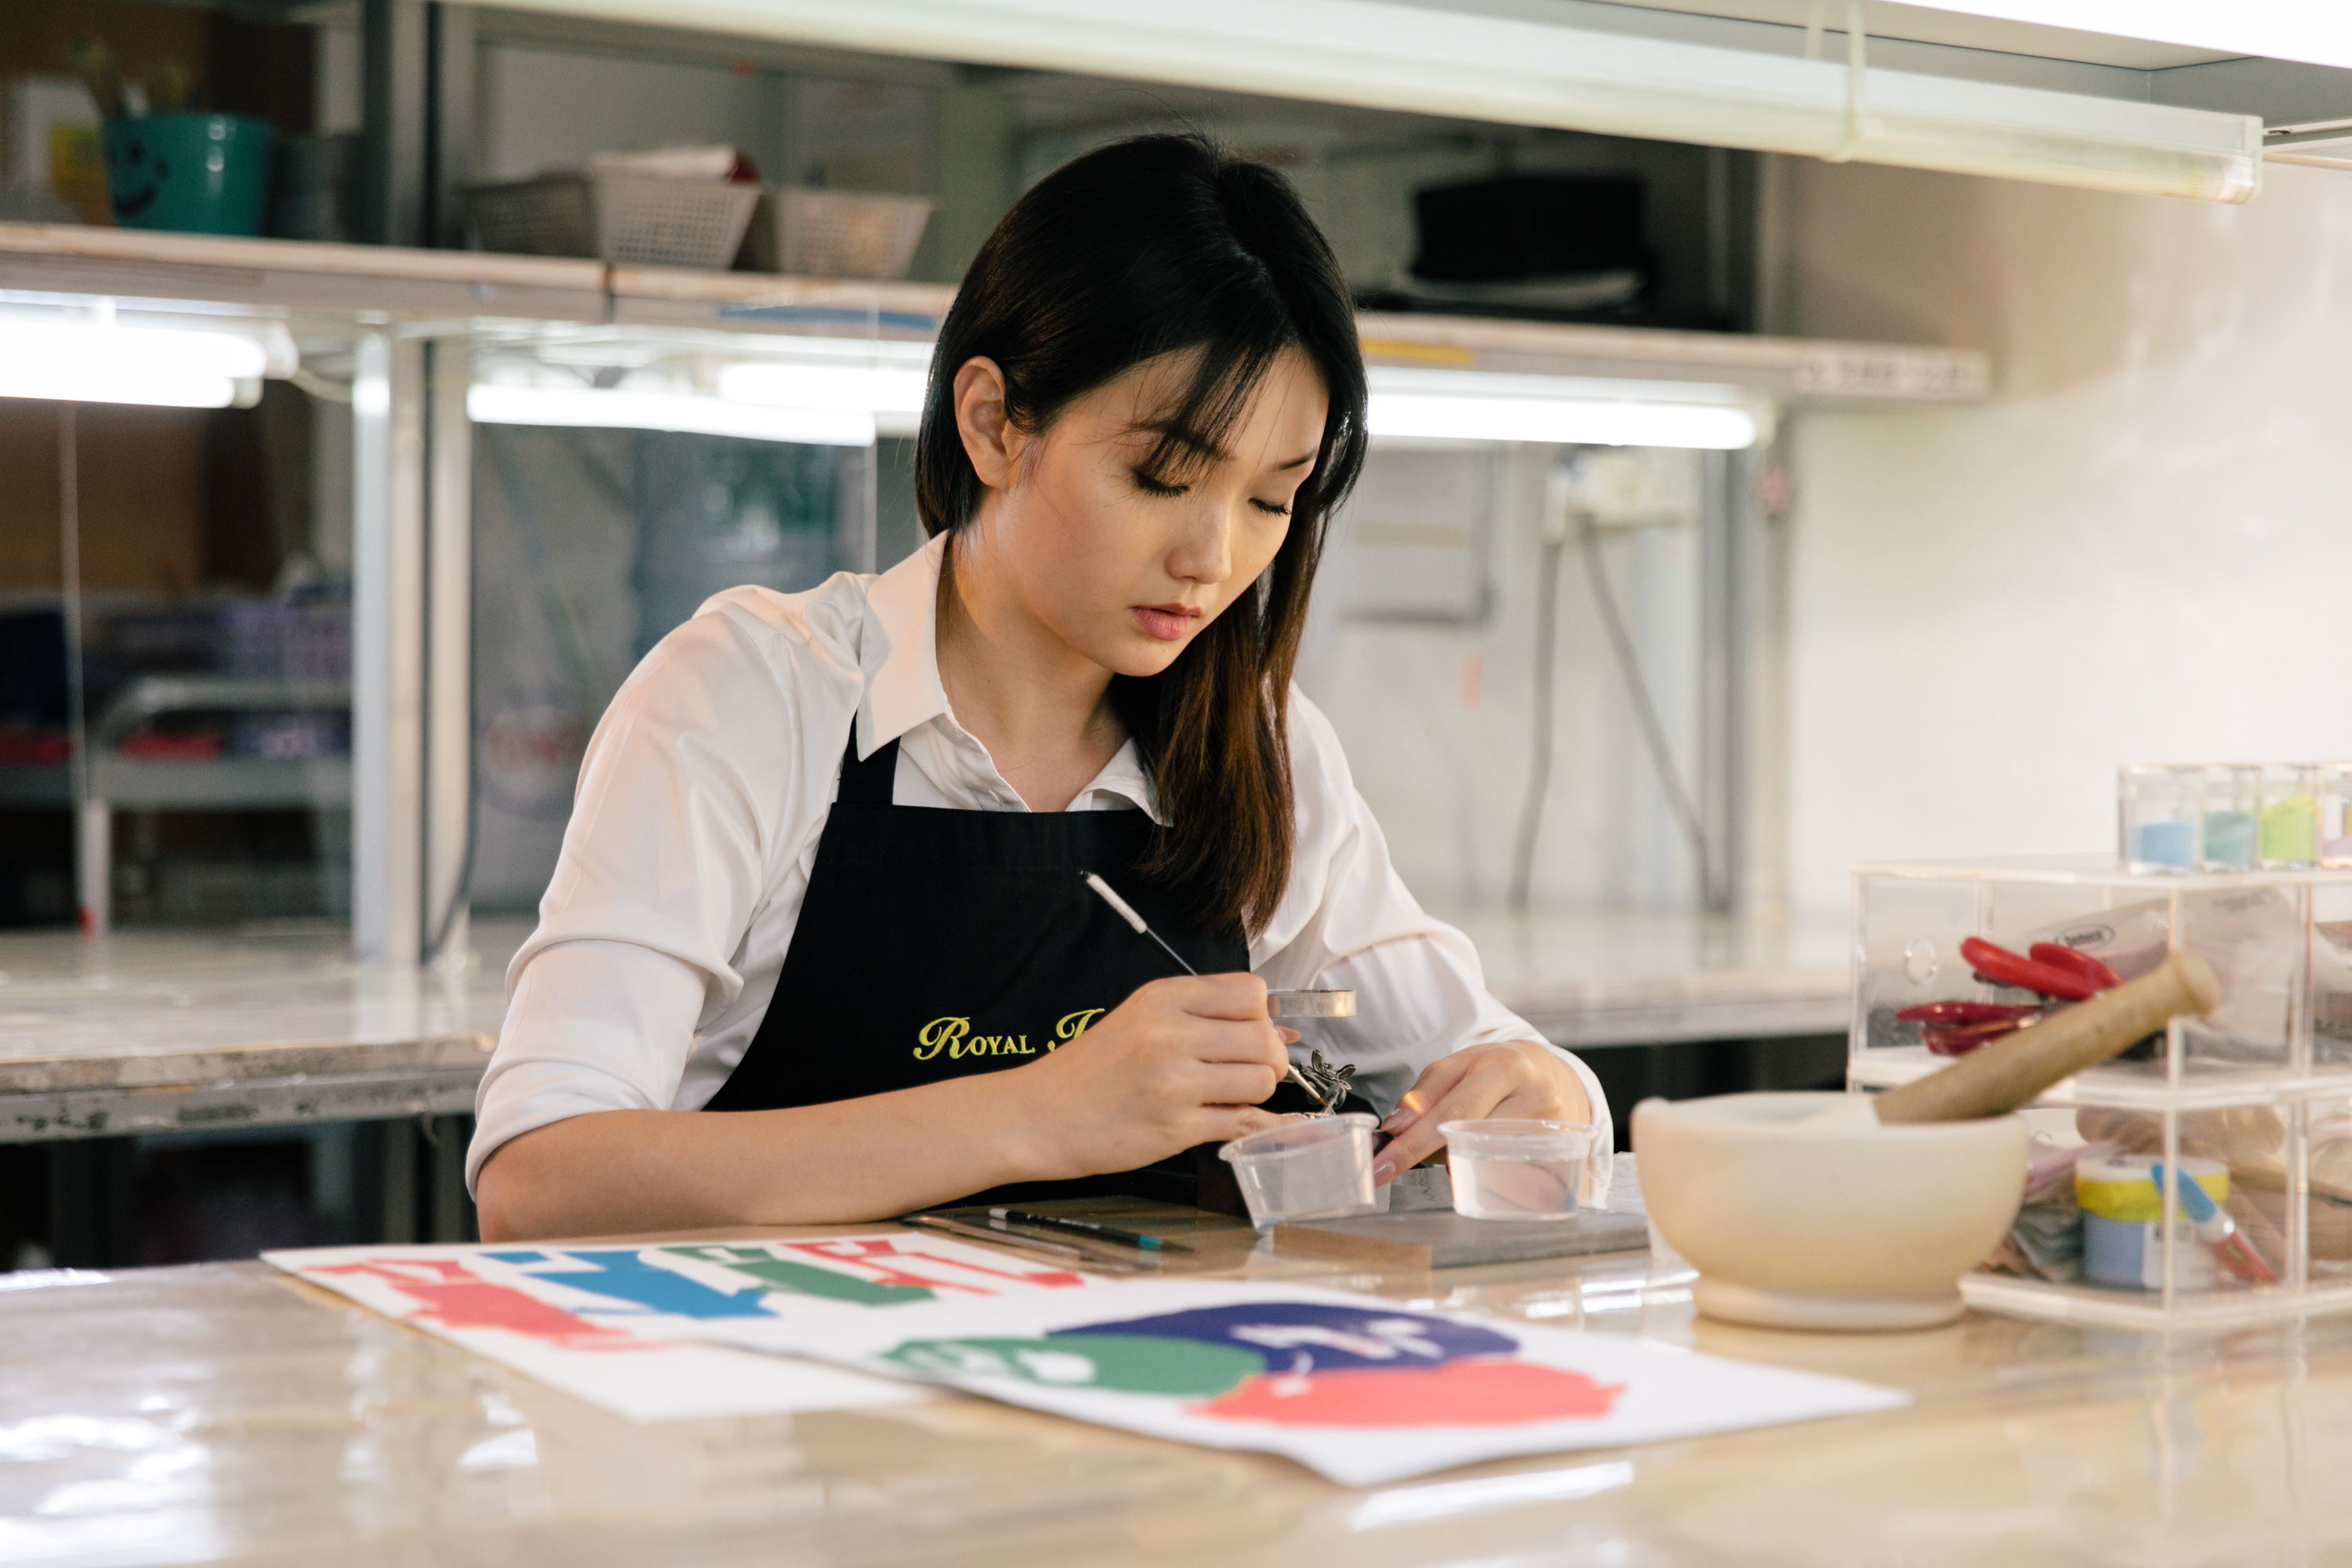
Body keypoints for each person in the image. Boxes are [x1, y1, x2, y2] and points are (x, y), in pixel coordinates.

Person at [470, 133, 1604, 1240]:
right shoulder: (753, 698)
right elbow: (542, 1180)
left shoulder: (1257, 747)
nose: (1212, 556)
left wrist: (1539, 1095)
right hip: (772, 1410)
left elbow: (1506, 1071)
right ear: (995, 424)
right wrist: (1043, 1113)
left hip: (1131, 1399)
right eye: (1161, 476)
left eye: (1272, 501)